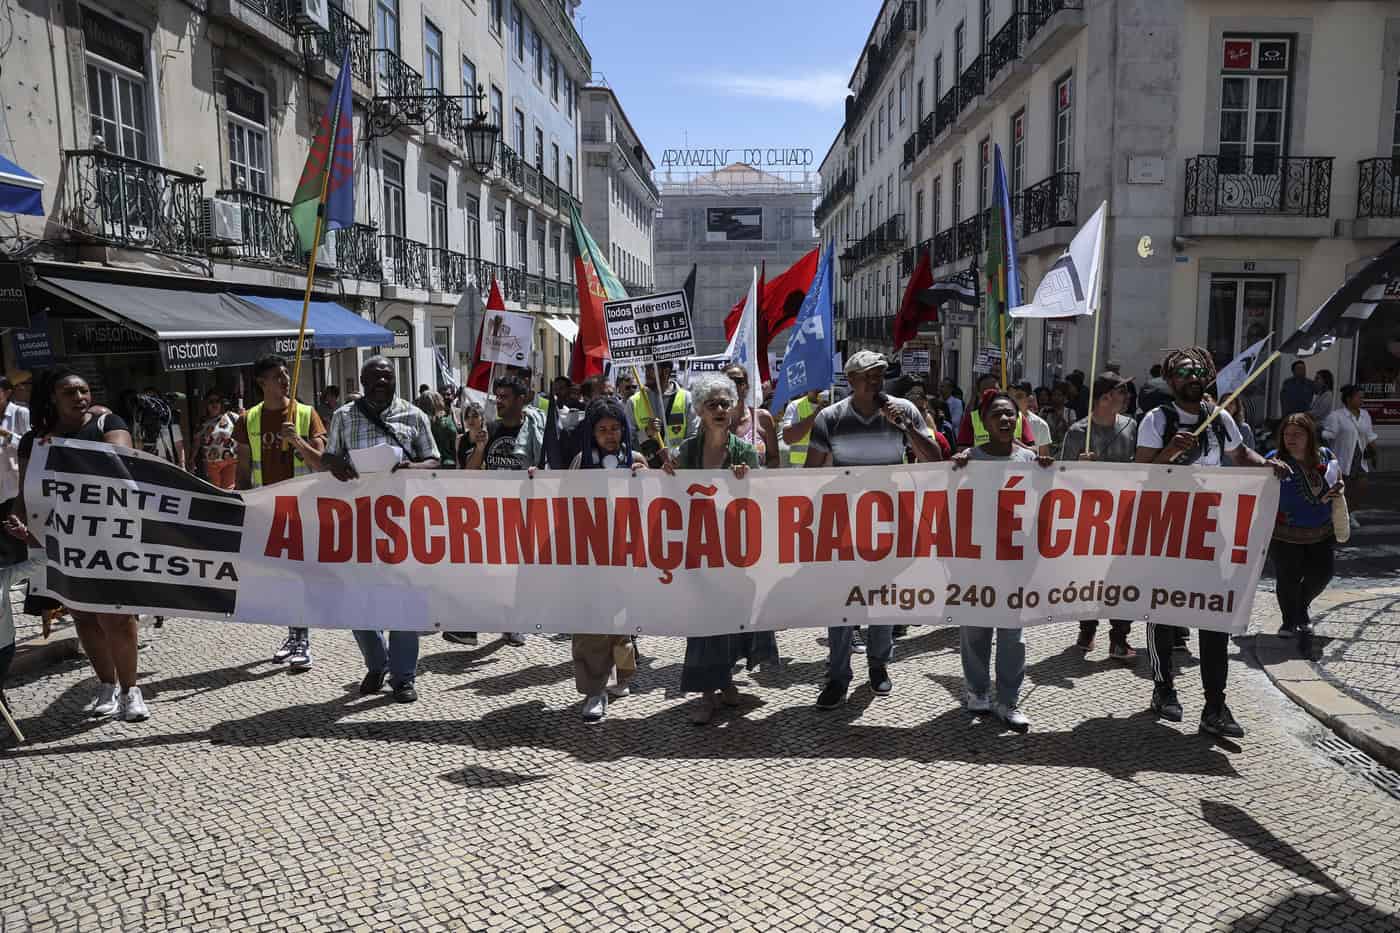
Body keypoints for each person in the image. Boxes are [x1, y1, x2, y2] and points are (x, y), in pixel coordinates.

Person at [1136, 346, 1290, 738]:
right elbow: (1140, 474)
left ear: (1207, 377)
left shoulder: (1220, 418)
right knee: (1162, 610)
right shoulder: (1157, 420)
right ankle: (1163, 688)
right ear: (1171, 381)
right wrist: (1171, 452)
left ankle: (1215, 704)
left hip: (1211, 533)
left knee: (1214, 615)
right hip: (1168, 532)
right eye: (1183, 373)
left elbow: (1241, 455)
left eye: (1198, 372)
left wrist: (1268, 464)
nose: (1192, 378)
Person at [804, 351, 943, 709]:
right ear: (850, 380)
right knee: (841, 601)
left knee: (883, 596)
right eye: (867, 375)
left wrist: (906, 427)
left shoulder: (904, 410)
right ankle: (837, 675)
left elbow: (934, 458)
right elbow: (809, 473)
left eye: (880, 375)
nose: (875, 381)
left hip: (889, 521)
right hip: (844, 523)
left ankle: (878, 664)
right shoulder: (830, 418)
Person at [15, 368, 148, 721]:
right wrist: (19, 519)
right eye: (70, 392)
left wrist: (64, 451)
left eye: (84, 390)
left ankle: (130, 690)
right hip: (62, 539)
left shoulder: (107, 424)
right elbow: (26, 489)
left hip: (109, 536)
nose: (79, 398)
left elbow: (121, 461)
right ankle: (106, 684)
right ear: (52, 398)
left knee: (116, 615)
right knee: (84, 616)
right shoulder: (34, 441)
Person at [323, 356, 441, 702]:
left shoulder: (414, 416)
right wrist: (337, 463)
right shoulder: (343, 416)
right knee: (357, 599)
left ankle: (403, 677)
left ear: (394, 380)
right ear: (362, 381)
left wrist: (412, 467)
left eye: (387, 377)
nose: (381, 382)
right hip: (356, 521)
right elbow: (328, 456)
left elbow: (434, 459)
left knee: (404, 598)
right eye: (374, 377)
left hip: (402, 522)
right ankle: (377, 663)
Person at [662, 374, 776, 724]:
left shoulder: (745, 451)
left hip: (734, 550)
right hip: (698, 549)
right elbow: (671, 496)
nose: (720, 410)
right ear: (699, 410)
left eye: (725, 403)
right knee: (703, 623)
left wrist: (746, 480)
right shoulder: (687, 452)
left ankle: (725, 681)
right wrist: (666, 472)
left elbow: (758, 499)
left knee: (730, 620)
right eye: (712, 404)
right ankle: (706, 695)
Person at [950, 392, 1055, 731]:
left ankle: (1008, 700)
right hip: (977, 560)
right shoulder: (969, 459)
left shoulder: (1031, 460)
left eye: (1010, 414)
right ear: (984, 421)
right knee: (975, 631)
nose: (1005, 419)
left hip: (1015, 559)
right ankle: (977, 691)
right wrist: (956, 470)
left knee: (1013, 636)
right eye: (997, 414)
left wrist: (1053, 473)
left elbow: (1047, 501)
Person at [234, 355, 328, 669]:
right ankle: (293, 635)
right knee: (280, 577)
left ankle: (301, 640)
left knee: (297, 575)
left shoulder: (306, 414)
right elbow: (243, 469)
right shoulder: (248, 419)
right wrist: (244, 504)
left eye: (287, 373)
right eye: (277, 375)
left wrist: (297, 441)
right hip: (268, 509)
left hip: (302, 508)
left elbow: (321, 464)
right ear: (261, 382)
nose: (286, 379)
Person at [566, 397, 647, 723]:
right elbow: (561, 502)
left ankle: (622, 675)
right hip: (589, 557)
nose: (610, 435)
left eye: (615, 428)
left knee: (621, 624)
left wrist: (649, 478)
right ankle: (594, 690)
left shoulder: (636, 460)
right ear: (592, 433)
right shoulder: (580, 463)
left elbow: (656, 504)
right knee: (590, 626)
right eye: (603, 430)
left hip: (625, 556)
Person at [1060, 372, 1139, 661]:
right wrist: (1077, 465)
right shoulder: (1077, 432)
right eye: (1122, 392)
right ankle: (1087, 629)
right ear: (1105, 397)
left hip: (1123, 516)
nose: (1127, 397)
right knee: (1089, 576)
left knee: (1122, 576)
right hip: (1089, 518)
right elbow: (1061, 475)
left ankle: (1119, 637)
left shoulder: (1131, 426)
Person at [470, 374, 542, 646]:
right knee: (496, 571)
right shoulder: (489, 429)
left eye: (505, 397)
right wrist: (479, 448)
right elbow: (469, 472)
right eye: (497, 396)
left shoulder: (535, 431)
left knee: (521, 570)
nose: (499, 402)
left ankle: (514, 622)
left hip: (526, 510)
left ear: (521, 400)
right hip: (493, 511)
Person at [1268, 414, 1343, 641]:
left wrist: (1338, 487)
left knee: (1323, 574)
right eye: (1287, 434)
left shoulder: (1325, 455)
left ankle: (1301, 605)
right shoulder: (1273, 460)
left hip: (1321, 531)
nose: (1291, 439)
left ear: (1309, 436)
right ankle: (1290, 621)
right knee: (1287, 578)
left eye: (1297, 434)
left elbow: (1338, 478)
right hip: (1284, 533)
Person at [1321, 385, 1377, 532]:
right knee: (1342, 490)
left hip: (1360, 459)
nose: (1362, 400)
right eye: (1359, 397)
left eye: (1362, 397)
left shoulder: (1365, 415)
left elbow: (1369, 435)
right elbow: (1329, 434)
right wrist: (1320, 431)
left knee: (1361, 487)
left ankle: (1349, 513)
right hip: (1343, 458)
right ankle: (1335, 516)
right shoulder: (1336, 416)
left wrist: (1374, 452)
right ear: (1348, 399)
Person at [956, 373, 1038, 450]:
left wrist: (1014, 442)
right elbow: (961, 449)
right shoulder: (971, 418)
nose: (991, 393)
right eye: (986, 391)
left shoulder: (1019, 417)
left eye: (995, 390)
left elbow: (1032, 449)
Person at [627, 361, 694, 453]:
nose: (647, 372)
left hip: (678, 461)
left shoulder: (686, 398)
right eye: (645, 368)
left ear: (666, 372)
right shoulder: (633, 401)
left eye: (652, 368)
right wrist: (646, 432)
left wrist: (674, 455)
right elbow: (627, 440)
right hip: (645, 461)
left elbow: (693, 436)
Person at [722, 364, 780, 468]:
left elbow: (774, 459)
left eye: (738, 381)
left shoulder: (762, 418)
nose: (733, 386)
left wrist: (756, 473)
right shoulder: (711, 421)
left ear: (747, 387)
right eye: (728, 381)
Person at [0, 376, 32, 533]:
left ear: (7, 392)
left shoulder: (20, 412)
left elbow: (29, 446)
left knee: (14, 530)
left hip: (15, 483)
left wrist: (5, 434)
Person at [194, 389, 238, 491]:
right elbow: (196, 442)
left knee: (229, 491)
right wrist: (192, 459)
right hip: (212, 463)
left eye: (217, 401)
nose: (214, 404)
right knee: (215, 491)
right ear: (206, 404)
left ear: (221, 403)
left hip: (231, 461)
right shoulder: (202, 422)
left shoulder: (231, 416)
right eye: (211, 401)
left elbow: (244, 428)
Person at [780, 389, 827, 467]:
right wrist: (815, 414)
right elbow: (788, 438)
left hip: (829, 469)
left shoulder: (836, 406)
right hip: (799, 469)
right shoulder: (795, 405)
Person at [416, 389, 459, 469]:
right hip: (447, 464)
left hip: (424, 465)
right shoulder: (447, 423)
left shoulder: (418, 424)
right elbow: (455, 445)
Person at [1010, 381, 1052, 457]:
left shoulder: (1041, 425)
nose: (1014, 400)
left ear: (1029, 398)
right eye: (1010, 397)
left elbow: (1044, 457)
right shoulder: (999, 422)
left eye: (1019, 396)